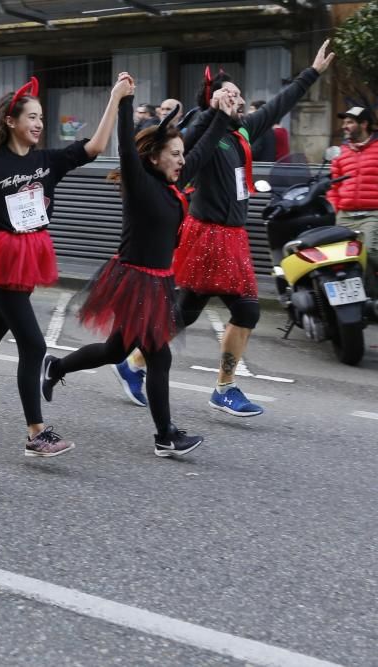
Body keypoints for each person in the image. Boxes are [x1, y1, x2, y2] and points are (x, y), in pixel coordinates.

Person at [112, 41, 335, 415]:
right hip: (208, 236)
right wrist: (209, 112)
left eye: (238, 93)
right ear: (214, 101)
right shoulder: (205, 133)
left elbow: (280, 103)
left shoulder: (243, 131)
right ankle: (222, 386)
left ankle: (134, 363)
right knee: (244, 311)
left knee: (187, 311)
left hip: (233, 237)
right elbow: (186, 143)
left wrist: (311, 72)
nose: (237, 98)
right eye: (227, 94)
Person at [0, 73, 128, 457]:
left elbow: (96, 147)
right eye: (31, 117)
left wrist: (115, 97)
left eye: (41, 118)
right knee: (33, 345)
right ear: (10, 121)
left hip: (29, 257)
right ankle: (36, 431)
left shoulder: (46, 161)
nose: (38, 124)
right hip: (0, 258)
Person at [41, 83, 235, 457]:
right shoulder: (140, 183)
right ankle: (165, 436)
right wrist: (124, 100)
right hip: (136, 280)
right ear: (154, 158)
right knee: (159, 356)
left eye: (182, 154)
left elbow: (206, 147)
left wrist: (221, 114)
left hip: (159, 281)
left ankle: (56, 367)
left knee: (116, 350)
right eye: (174, 154)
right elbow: (127, 148)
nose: (182, 160)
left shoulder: (172, 184)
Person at [328, 104, 378, 296]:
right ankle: (351, 299)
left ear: (364, 124)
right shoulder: (341, 152)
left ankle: (371, 297)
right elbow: (333, 185)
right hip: (345, 214)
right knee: (341, 257)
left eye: (349, 122)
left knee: (369, 253)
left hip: (372, 214)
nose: (344, 126)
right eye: (344, 122)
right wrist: (334, 206)